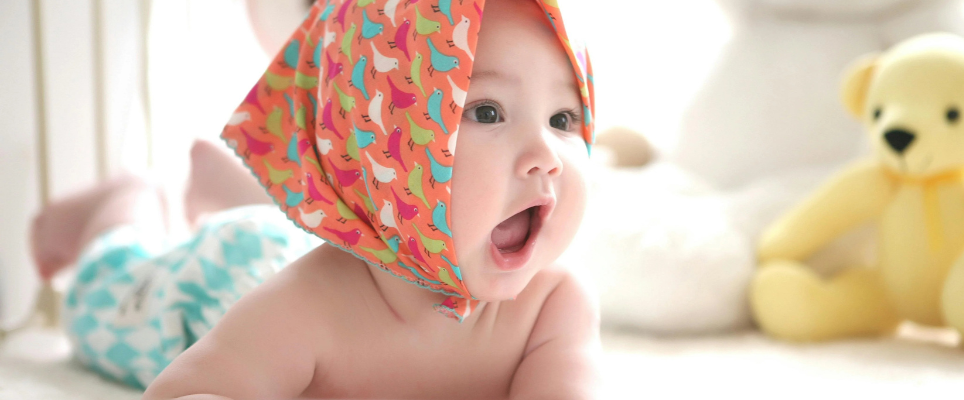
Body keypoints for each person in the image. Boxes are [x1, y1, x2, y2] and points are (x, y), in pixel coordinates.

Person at [34, 0, 599, 398]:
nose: (546, 152)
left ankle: (229, 188)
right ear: (385, 148)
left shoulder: (554, 305)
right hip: (220, 273)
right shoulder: (309, 307)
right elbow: (190, 389)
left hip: (321, 233)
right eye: (487, 112)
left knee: (295, 227)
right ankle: (119, 206)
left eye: (563, 118)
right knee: (104, 292)